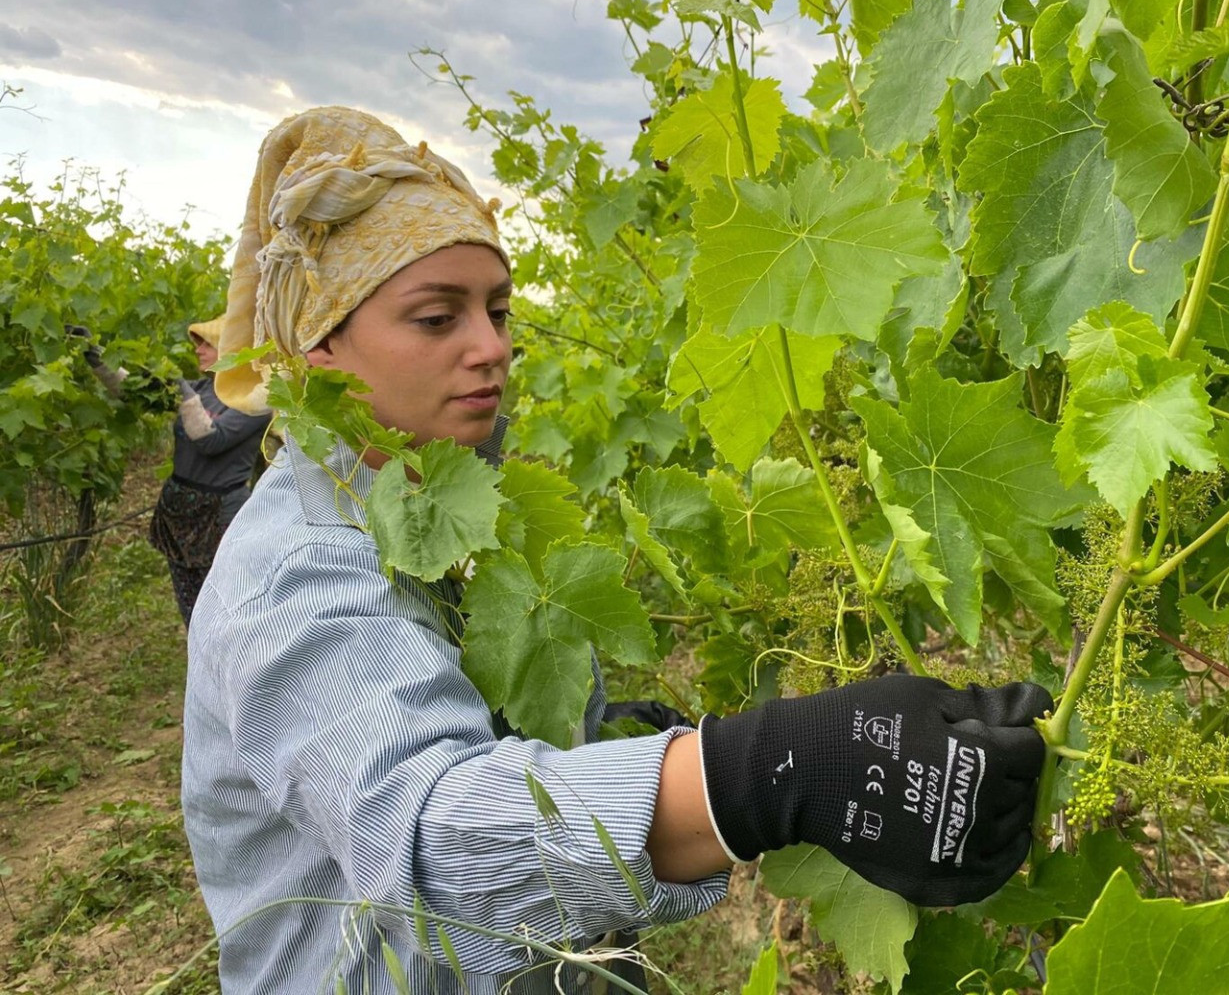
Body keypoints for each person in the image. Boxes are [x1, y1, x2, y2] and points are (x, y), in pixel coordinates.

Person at [182, 107, 1054, 995]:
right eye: (437, 318)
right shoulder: (295, 577)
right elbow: (439, 850)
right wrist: (770, 772)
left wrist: (619, 749)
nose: (491, 347)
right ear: (321, 348)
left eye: (497, 310)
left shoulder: (434, 505)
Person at [147, 318, 271, 623]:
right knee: (190, 604)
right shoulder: (201, 388)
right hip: (178, 512)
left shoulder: (254, 399)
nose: (198, 350)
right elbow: (139, 395)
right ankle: (198, 648)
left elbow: (211, 440)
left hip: (218, 516)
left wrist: (184, 393)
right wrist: (99, 361)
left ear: (231, 348)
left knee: (224, 600)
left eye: (207, 344)